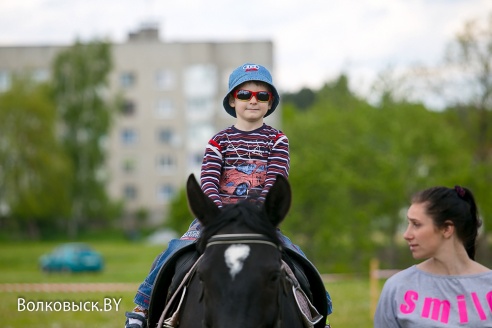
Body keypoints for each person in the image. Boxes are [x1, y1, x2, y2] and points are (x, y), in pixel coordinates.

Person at [125, 63, 332, 328]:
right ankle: (142, 308)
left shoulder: (278, 140)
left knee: (297, 256)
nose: (253, 101)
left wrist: (256, 216)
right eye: (245, 95)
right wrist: (218, 215)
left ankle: (316, 315)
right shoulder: (218, 141)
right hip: (216, 220)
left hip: (258, 222)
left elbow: (276, 181)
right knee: (173, 250)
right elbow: (209, 181)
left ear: (270, 103)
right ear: (233, 100)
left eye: (262, 95)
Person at [374, 185, 492, 327]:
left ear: (447, 229)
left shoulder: (488, 285)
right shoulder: (397, 287)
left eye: (416, 224)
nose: (406, 234)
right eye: (408, 223)